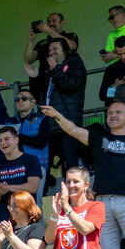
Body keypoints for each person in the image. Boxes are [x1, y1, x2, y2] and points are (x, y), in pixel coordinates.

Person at [42, 101, 125, 249]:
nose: (113, 115)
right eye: (110, 112)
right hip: (102, 203)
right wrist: (57, 115)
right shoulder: (98, 137)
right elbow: (72, 130)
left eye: (118, 112)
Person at [30, 38, 86, 173]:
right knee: (50, 166)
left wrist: (55, 69)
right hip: (50, 124)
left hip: (68, 122)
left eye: (55, 49)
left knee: (71, 163)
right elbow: (39, 97)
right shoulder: (50, 70)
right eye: (49, 50)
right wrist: (34, 78)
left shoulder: (74, 63)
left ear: (64, 49)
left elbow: (70, 85)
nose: (51, 52)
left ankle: (75, 192)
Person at [44, 169, 105, 249]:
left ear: (86, 185)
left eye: (76, 181)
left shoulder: (96, 206)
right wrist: (55, 215)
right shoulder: (60, 210)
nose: (71, 185)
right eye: (68, 182)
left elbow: (85, 229)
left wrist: (66, 206)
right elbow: (48, 239)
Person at [0, 126, 41, 226]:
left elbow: (33, 187)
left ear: (16, 140)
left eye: (6, 139)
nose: (3, 143)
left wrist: (8, 188)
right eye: (0, 140)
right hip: (5, 220)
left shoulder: (31, 160)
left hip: (28, 217)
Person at [7, 90, 51, 200]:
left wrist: (19, 137)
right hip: (13, 167)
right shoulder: (9, 122)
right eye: (17, 99)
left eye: (24, 99)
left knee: (36, 204)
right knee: (16, 203)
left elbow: (42, 142)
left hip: (36, 166)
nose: (20, 101)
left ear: (33, 102)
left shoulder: (42, 120)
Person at [99, 36, 125, 106]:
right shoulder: (111, 69)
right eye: (119, 54)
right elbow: (102, 95)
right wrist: (114, 87)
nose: (123, 57)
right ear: (115, 52)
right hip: (119, 110)